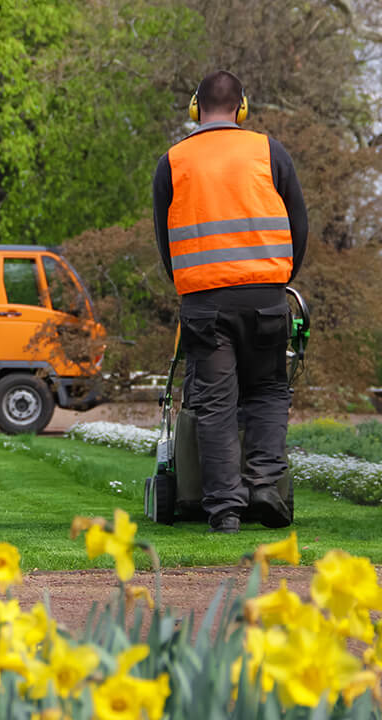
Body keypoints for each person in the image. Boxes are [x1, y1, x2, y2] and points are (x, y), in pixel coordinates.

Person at [152, 70, 308, 534]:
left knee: (216, 403)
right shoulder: (269, 152)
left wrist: (189, 286)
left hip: (204, 301)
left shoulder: (173, 161)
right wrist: (279, 279)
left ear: (195, 107)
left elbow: (166, 241)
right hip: (264, 296)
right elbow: (298, 224)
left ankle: (225, 511)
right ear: (243, 108)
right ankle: (264, 487)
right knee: (267, 390)